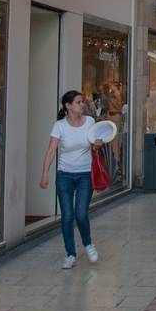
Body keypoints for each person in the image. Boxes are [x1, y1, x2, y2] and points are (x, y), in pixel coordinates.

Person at [40, 90, 100, 269]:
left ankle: (88, 244)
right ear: (68, 106)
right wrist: (44, 174)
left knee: (81, 214)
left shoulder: (89, 121)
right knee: (67, 216)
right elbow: (51, 151)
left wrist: (98, 144)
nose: (82, 105)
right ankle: (71, 254)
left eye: (82, 102)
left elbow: (97, 141)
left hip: (84, 175)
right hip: (64, 175)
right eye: (78, 102)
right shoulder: (59, 126)